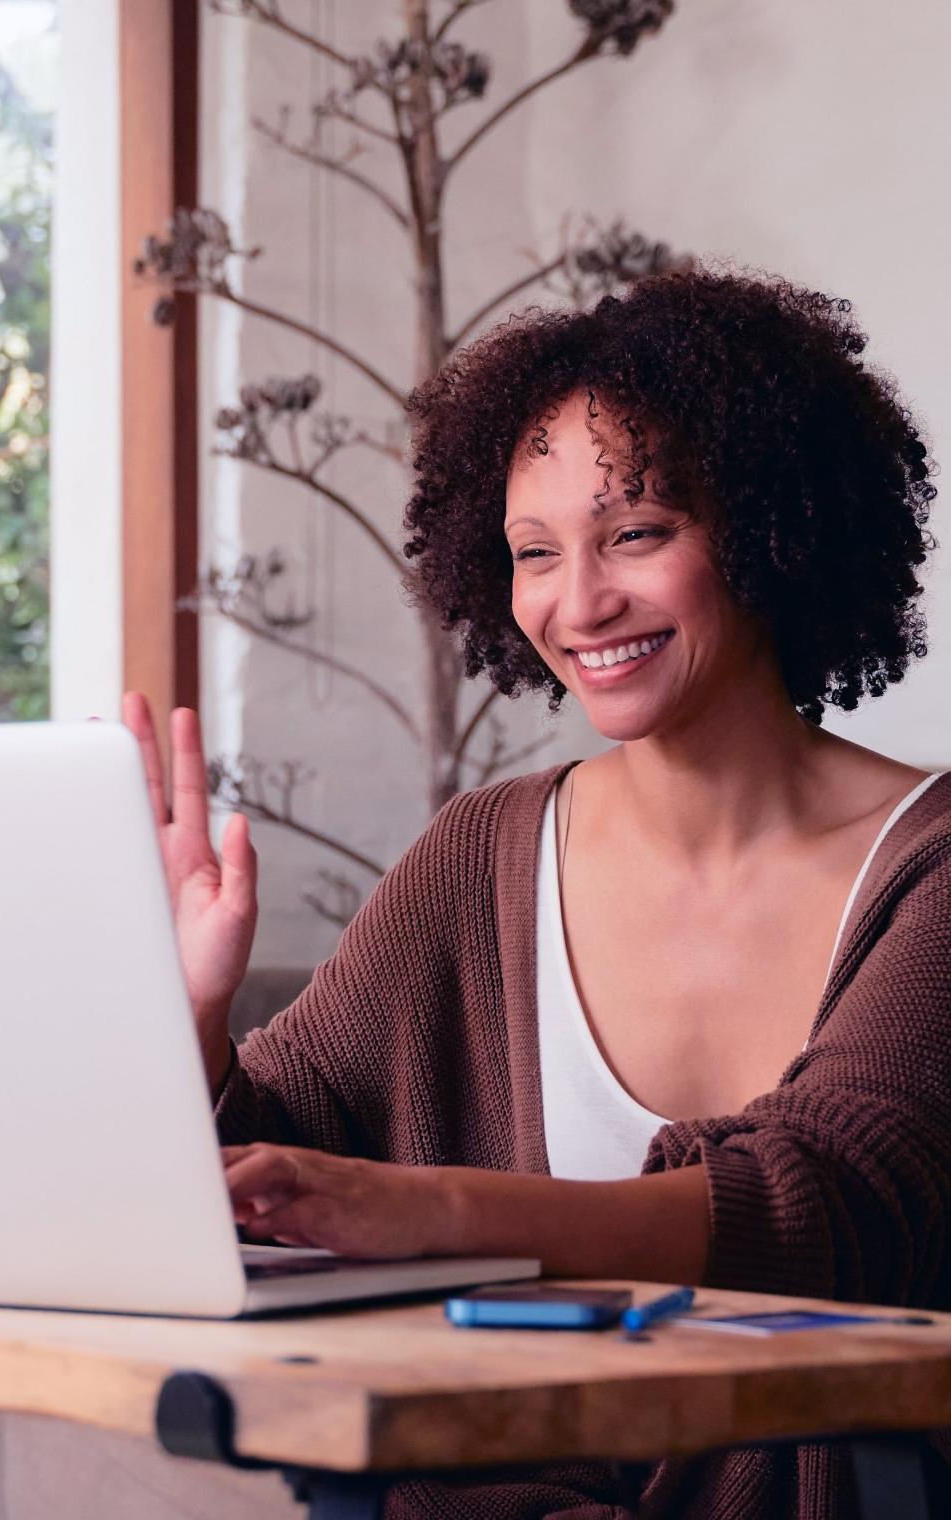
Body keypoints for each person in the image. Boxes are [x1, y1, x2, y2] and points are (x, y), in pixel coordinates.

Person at [124, 270, 951, 1518]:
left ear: (775, 525)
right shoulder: (481, 856)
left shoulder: (930, 864)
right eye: (532, 551)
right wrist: (184, 1010)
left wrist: (425, 1209)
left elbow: (826, 1200)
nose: (578, 602)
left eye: (636, 533)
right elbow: (278, 1150)